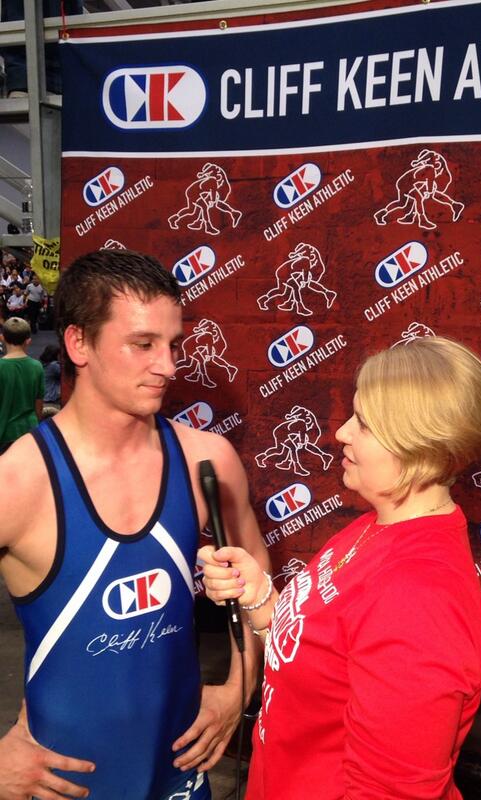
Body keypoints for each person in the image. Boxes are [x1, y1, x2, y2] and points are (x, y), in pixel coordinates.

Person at [0, 250, 269, 800]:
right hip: (68, 784)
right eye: (143, 344)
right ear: (78, 344)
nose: (168, 366)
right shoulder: (19, 482)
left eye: (173, 345)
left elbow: (258, 572)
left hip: (181, 776)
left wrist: (240, 684)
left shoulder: (206, 461)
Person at [200, 336, 481, 800]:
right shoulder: (375, 525)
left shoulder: (418, 599)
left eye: (362, 423)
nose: (341, 432)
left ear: (419, 444)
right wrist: (259, 595)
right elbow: (317, 652)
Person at [0, 316, 44, 454]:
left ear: (2, 338)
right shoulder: (37, 366)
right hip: (29, 432)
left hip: (4, 433)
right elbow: (39, 404)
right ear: (28, 341)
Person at [39, 342, 61, 408]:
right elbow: (66, 376)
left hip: (43, 398)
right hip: (51, 400)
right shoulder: (53, 366)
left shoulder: (41, 363)